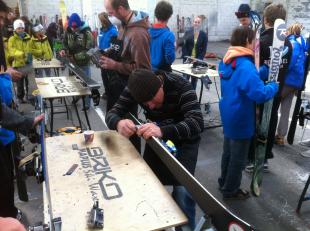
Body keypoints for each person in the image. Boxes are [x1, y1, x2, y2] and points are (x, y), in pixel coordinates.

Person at [106, 68, 203, 230]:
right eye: (145, 103)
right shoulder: (134, 87)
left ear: (160, 84)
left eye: (151, 98)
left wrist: (163, 131)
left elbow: (197, 123)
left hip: (184, 140)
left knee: (183, 193)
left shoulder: (181, 86)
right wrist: (118, 123)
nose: (150, 105)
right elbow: (113, 112)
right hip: (156, 138)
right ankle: (157, 224)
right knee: (150, 187)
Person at [218, 26, 278, 200]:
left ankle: (224, 182)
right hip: (242, 117)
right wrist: (273, 86)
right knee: (238, 159)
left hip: (229, 113)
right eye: (254, 41)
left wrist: (260, 72)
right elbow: (259, 94)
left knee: (228, 153)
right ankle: (230, 190)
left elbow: (241, 79)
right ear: (247, 41)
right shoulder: (246, 66)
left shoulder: (228, 60)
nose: (255, 44)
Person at [245, 3, 291, 172]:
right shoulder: (288, 43)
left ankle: (251, 158)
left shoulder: (260, 41)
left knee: (256, 122)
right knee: (270, 121)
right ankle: (264, 158)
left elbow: (253, 70)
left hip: (260, 91)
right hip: (277, 90)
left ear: (265, 19)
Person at [100, 0, 151, 111]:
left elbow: (142, 70)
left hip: (128, 90)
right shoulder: (123, 26)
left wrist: (115, 65)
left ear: (121, 9)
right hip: (116, 86)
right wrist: (110, 52)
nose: (110, 17)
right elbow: (123, 52)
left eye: (111, 13)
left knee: (125, 125)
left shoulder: (138, 34)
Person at [275, 23, 307, 145]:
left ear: (290, 31)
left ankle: (267, 132)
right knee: (286, 109)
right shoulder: (302, 43)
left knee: (273, 105)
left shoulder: (292, 43)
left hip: (288, 80)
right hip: (296, 82)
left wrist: (280, 71)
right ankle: (280, 137)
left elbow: (289, 63)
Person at [59, 13, 94, 110]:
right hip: (72, 63)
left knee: (85, 83)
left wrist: (74, 57)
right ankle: (76, 97)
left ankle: (87, 104)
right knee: (74, 82)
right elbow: (64, 43)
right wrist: (63, 50)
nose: (74, 29)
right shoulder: (68, 30)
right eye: (72, 27)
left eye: (76, 27)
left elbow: (90, 51)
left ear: (79, 24)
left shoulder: (87, 33)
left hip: (83, 63)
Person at [179, 15, 208, 89]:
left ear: (200, 24)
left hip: (197, 61)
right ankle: (184, 97)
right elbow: (184, 46)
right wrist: (187, 57)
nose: (196, 23)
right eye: (195, 22)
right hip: (187, 60)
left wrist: (198, 59)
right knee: (185, 80)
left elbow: (204, 50)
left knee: (194, 81)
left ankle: (193, 97)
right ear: (193, 23)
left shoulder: (204, 35)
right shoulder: (188, 32)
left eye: (198, 22)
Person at [8, 19, 31, 103]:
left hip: (26, 63)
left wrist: (30, 58)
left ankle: (27, 95)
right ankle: (20, 97)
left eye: (22, 28)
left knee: (26, 80)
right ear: (15, 29)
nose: (21, 30)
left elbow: (30, 49)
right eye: (19, 28)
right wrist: (21, 54)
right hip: (17, 64)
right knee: (19, 82)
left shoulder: (27, 37)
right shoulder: (12, 39)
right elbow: (11, 50)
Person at [149, 0, 175, 72]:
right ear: (169, 16)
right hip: (162, 74)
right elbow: (169, 59)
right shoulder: (169, 35)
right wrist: (173, 48)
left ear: (156, 14)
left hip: (148, 71)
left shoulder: (147, 32)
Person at [98, 12, 118, 99]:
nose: (100, 22)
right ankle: (107, 92)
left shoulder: (113, 31)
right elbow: (100, 42)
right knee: (104, 75)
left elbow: (115, 45)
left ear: (105, 20)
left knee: (111, 76)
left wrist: (107, 50)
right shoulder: (102, 30)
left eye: (101, 20)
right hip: (102, 55)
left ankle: (112, 93)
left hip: (109, 57)